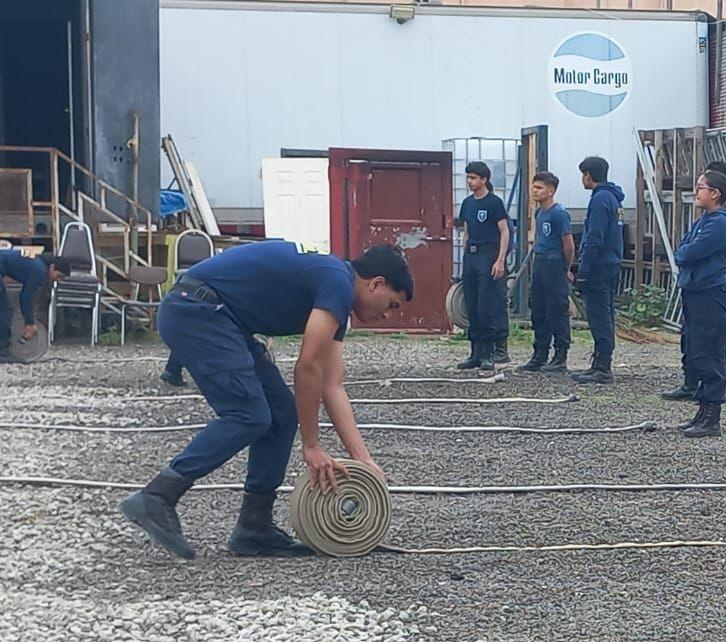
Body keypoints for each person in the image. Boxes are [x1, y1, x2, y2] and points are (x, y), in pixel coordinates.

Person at [119, 241, 414, 560]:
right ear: (377, 283)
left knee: (281, 413)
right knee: (249, 413)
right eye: (392, 304)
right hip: (196, 310)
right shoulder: (337, 284)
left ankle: (254, 527)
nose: (387, 314)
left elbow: (332, 387)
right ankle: (158, 495)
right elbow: (307, 367)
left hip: (221, 318)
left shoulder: (336, 293)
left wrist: (364, 461)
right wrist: (311, 446)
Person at [665, 159, 726, 401]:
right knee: (694, 341)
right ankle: (695, 388)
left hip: (713, 288)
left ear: (716, 192)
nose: (695, 192)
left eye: (700, 187)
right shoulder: (705, 220)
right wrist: (685, 253)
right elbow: (683, 249)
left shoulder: (722, 223)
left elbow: (688, 252)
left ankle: (710, 406)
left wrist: (686, 253)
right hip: (696, 288)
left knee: (712, 348)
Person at [573, 156, 625, 385]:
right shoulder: (613, 198)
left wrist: (583, 269)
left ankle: (602, 366)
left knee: (599, 314)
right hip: (611, 262)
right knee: (606, 312)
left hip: (599, 265)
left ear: (588, 175)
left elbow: (595, 237)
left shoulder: (600, 199)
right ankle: (600, 362)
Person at [454, 162, 510, 371]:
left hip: (489, 254)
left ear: (484, 179)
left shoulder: (494, 202)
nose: (470, 182)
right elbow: (466, 231)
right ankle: (475, 353)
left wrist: (500, 259)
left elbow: (504, 231)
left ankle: (489, 353)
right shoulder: (468, 203)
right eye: (468, 177)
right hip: (472, 257)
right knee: (472, 304)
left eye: (474, 178)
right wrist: (465, 253)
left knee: (487, 306)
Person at [518, 171, 574, 374]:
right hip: (540, 262)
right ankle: (539, 354)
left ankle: (560, 355)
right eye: (534, 186)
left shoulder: (559, 213)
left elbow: (568, 244)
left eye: (539, 187)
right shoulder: (539, 213)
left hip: (554, 263)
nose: (535, 190)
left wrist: (566, 268)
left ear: (551, 191)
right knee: (539, 310)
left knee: (557, 309)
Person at [0, 250, 70, 363]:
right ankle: (2, 353)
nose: (58, 280)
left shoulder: (37, 264)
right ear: (52, 267)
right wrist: (29, 323)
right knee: (4, 311)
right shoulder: (39, 271)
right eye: (59, 276)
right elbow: (26, 297)